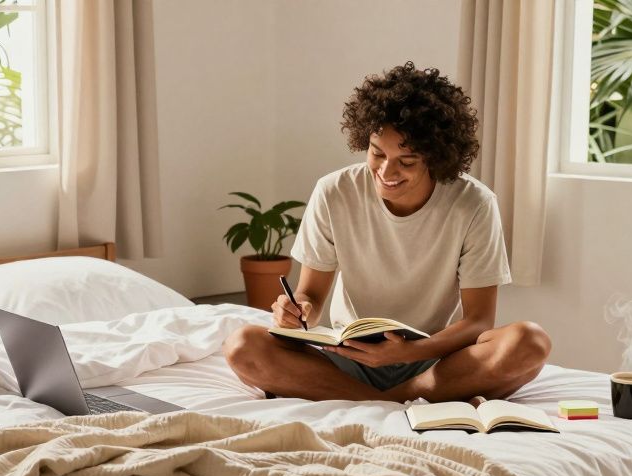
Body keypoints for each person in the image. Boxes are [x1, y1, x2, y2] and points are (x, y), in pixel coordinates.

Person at [225, 62, 550, 403]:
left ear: (436, 158)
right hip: (347, 356)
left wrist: (410, 352)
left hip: (433, 359)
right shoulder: (334, 191)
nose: (386, 170)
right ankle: (402, 400)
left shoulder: (474, 203)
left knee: (530, 342)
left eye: (406, 162)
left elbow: (479, 320)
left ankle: (380, 398)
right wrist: (296, 311)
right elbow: (312, 297)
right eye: (377, 153)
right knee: (242, 345)